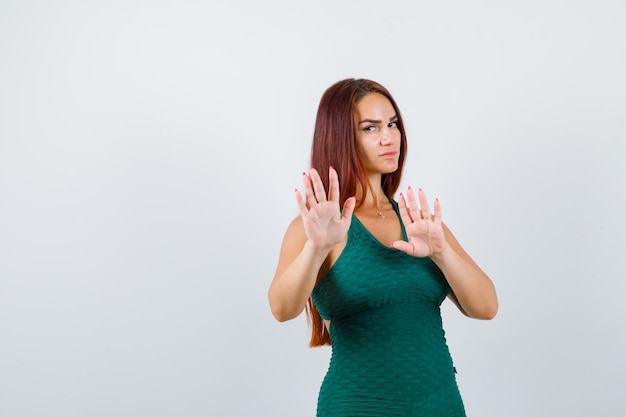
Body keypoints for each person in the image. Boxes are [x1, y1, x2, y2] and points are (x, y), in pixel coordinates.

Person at [268, 78, 498, 417]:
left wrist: (442, 253)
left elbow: (486, 307)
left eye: (392, 124)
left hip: (439, 404)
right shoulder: (316, 228)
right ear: (341, 137)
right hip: (357, 405)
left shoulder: (419, 222)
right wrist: (316, 249)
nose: (389, 137)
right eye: (370, 128)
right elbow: (282, 309)